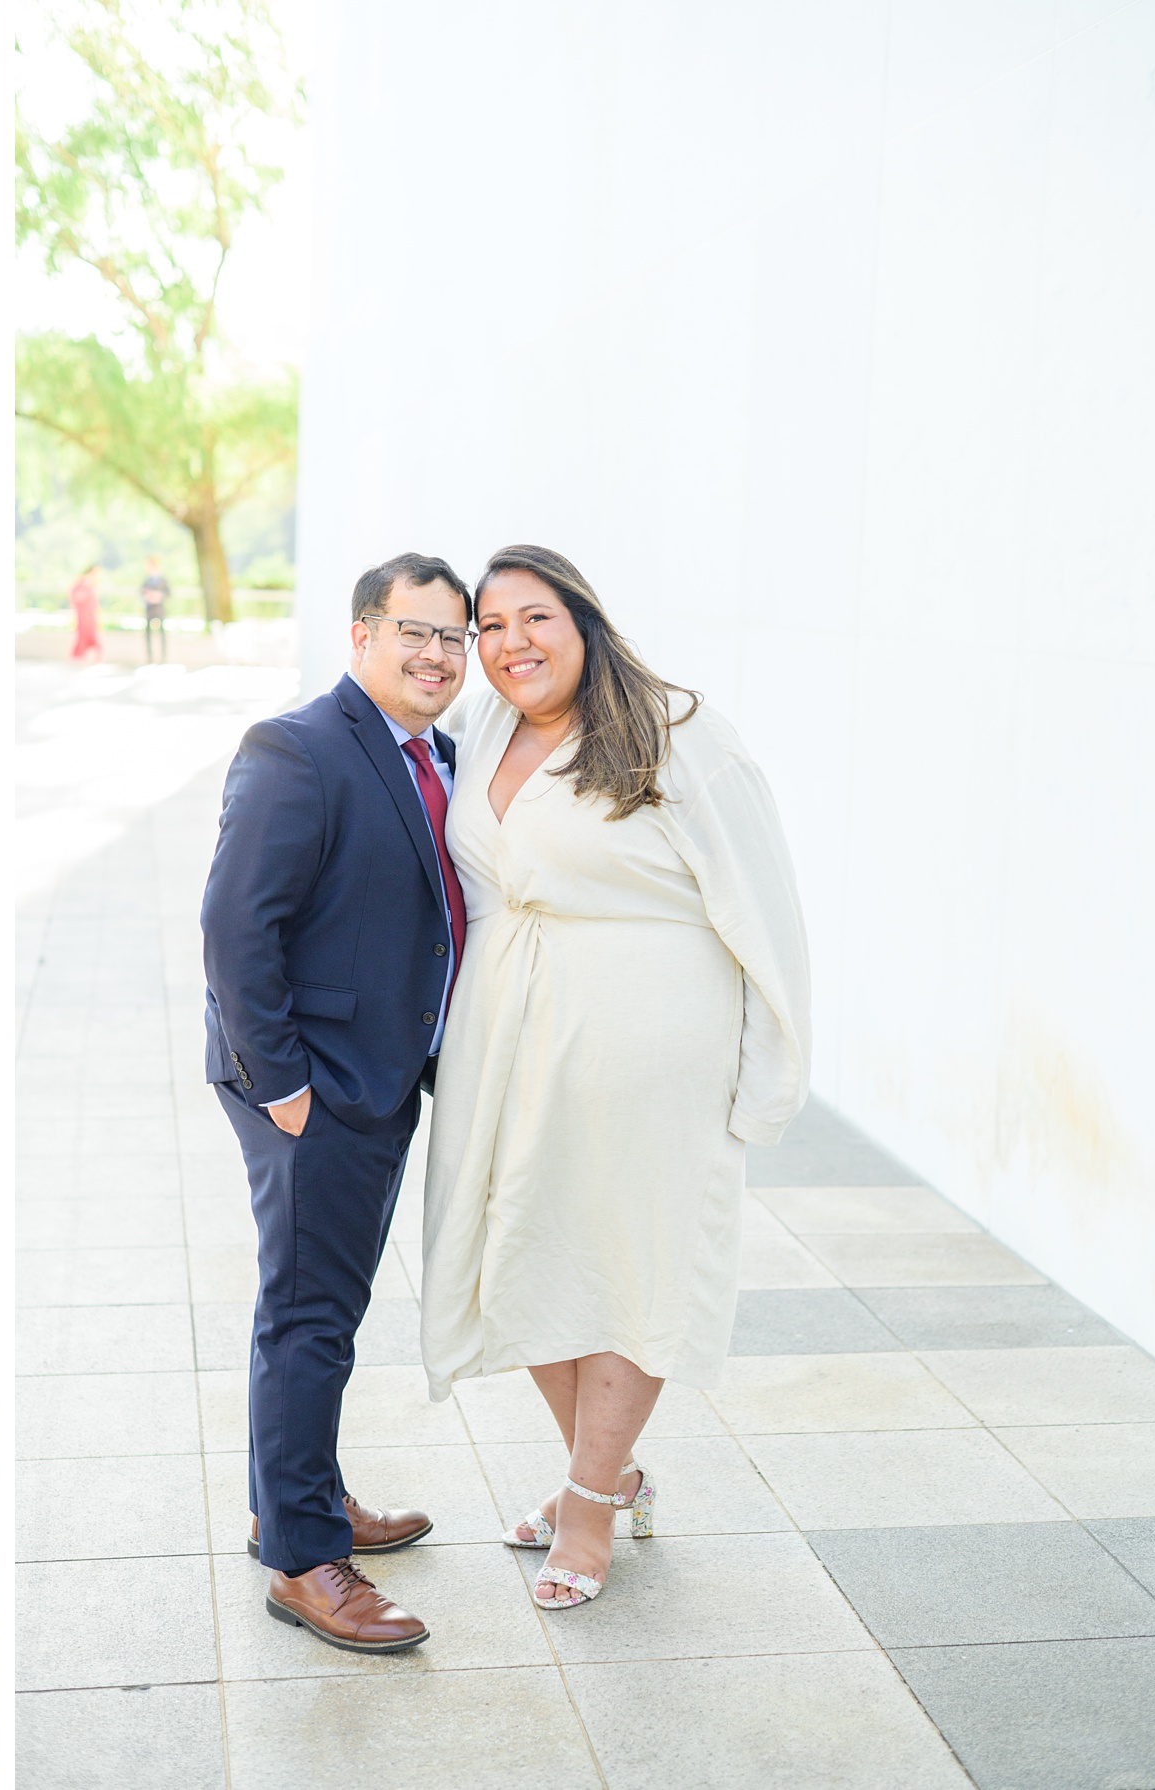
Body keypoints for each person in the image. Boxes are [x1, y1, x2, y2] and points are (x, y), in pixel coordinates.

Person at [421, 545, 809, 1610]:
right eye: (488, 628)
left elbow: (765, 910)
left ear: (583, 619)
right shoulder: (491, 729)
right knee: (525, 1255)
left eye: (533, 617)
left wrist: (770, 1073)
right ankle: (611, 1469)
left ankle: (590, 1501)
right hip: (513, 1035)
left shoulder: (678, 733)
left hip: (650, 1042)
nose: (511, 645)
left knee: (634, 1266)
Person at [198, 551, 473, 1653]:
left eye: (452, 638)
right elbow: (233, 926)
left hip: (381, 1073)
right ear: (361, 633)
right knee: (309, 1314)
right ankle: (307, 1560)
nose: (435, 653)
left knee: (327, 1306)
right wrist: (287, 1088)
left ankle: (296, 1492)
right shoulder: (299, 747)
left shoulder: (435, 754)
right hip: (314, 1086)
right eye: (414, 629)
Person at [68, 562, 104, 662]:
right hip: (83, 615)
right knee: (83, 635)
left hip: (91, 614)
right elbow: (75, 595)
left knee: (93, 635)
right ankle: (78, 657)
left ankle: (95, 657)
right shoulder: (82, 582)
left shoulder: (92, 583)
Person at [140, 554, 172, 663]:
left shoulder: (162, 579)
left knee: (162, 634)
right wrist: (148, 596)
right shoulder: (147, 580)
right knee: (148, 634)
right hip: (149, 610)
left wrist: (159, 596)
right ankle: (150, 657)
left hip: (159, 609)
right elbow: (141, 592)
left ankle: (163, 657)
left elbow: (168, 593)